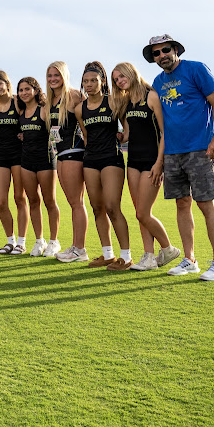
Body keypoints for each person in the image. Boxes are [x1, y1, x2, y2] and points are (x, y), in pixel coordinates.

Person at [143, 34, 214, 281]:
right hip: (173, 152)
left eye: (165, 50)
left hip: (200, 148)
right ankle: (189, 259)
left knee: (205, 203)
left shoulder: (196, 69)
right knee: (182, 204)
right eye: (156, 53)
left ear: (176, 50)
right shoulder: (158, 82)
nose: (162, 56)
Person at [111, 63, 181, 271]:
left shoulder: (152, 96)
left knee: (143, 213)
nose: (119, 81)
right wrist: (120, 137)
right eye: (116, 79)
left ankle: (168, 248)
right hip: (133, 161)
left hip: (152, 162)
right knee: (139, 212)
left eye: (121, 76)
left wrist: (160, 163)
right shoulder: (126, 102)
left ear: (131, 73)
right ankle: (149, 257)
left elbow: (164, 132)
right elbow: (129, 134)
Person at [75, 61, 132, 270]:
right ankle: (108, 254)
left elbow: (126, 128)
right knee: (97, 207)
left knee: (112, 207)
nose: (89, 84)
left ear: (102, 82)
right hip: (90, 160)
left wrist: (123, 137)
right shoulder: (80, 109)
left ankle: (126, 257)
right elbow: (86, 136)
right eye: (86, 81)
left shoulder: (114, 101)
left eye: (93, 80)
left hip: (111, 158)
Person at [45, 62, 89, 263]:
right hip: (60, 153)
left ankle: (80, 249)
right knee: (73, 203)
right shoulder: (50, 99)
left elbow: (87, 121)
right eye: (50, 75)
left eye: (57, 75)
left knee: (77, 203)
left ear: (64, 76)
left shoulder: (74, 96)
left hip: (74, 151)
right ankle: (75, 246)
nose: (53, 79)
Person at [16, 77, 61, 257]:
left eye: (27, 89)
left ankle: (54, 241)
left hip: (45, 161)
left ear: (35, 90)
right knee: (33, 201)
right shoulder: (21, 112)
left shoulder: (44, 109)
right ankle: (39, 240)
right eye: (21, 90)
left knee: (50, 201)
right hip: (26, 162)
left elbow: (56, 130)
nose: (24, 93)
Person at [0, 70, 30, 255]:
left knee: (20, 198)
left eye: (0, 83)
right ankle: (10, 241)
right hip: (0, 156)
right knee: (1, 201)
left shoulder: (17, 101)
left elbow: (30, 115)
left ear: (7, 84)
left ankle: (21, 242)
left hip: (19, 155)